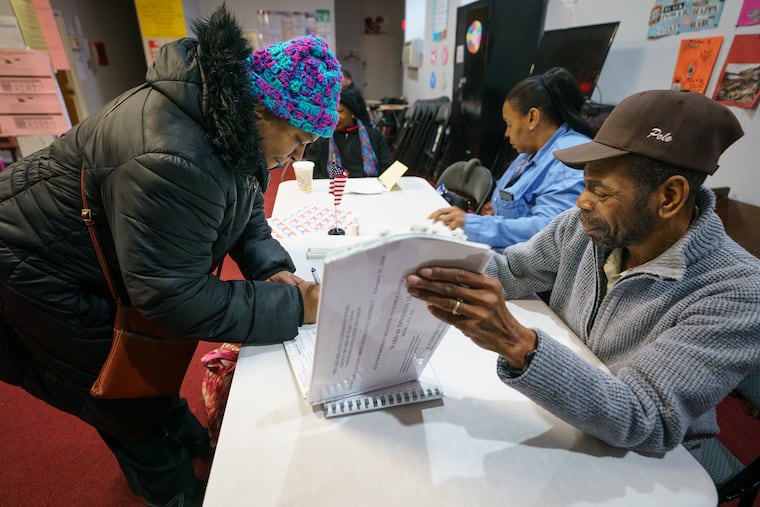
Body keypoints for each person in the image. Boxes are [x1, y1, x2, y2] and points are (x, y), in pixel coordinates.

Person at [0, 6, 341, 506]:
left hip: (79, 249)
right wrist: (292, 308)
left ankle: (184, 436)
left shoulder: (228, 120)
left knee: (146, 366)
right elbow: (171, 297)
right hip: (31, 263)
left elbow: (245, 211)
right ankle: (175, 493)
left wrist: (274, 268)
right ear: (264, 110)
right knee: (118, 392)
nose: (296, 158)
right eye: (298, 140)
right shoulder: (173, 155)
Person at [406, 90, 760, 486]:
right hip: (569, 413)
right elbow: (509, 271)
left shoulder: (736, 291)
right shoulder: (586, 229)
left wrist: (518, 344)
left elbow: (645, 416)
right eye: (585, 184)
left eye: (601, 191)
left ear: (670, 197)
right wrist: (416, 263)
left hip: (652, 466)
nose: (582, 202)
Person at [430, 67, 596, 250]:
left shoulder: (568, 159)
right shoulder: (531, 152)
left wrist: (473, 225)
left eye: (509, 124)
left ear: (533, 118)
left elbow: (550, 231)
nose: (507, 133)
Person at [306, 87, 393, 179]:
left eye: (340, 111)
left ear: (352, 113)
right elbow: (313, 170)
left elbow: (387, 167)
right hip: (333, 189)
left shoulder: (374, 136)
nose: (335, 118)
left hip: (370, 189)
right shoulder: (321, 138)